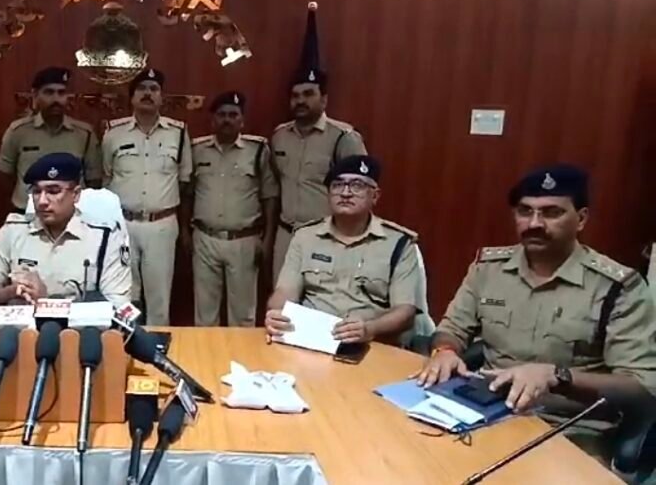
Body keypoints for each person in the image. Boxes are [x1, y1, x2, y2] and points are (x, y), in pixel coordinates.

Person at [414, 165, 656, 462]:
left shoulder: (617, 287)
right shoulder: (488, 269)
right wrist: (445, 351)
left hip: (568, 427)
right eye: (525, 211)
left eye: (552, 213)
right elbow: (453, 327)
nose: (534, 223)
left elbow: (641, 388)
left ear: (581, 219)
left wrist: (557, 376)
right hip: (483, 409)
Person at [264, 155, 423, 345]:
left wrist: (370, 329)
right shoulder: (305, 237)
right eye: (337, 185)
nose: (346, 193)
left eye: (357, 185)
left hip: (371, 343)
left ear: (375, 196)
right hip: (310, 338)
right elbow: (285, 291)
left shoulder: (398, 244)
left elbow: (405, 311)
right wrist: (277, 312)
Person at [0, 152, 132, 305]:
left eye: (53, 191)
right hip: (22, 323)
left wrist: (46, 303)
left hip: (80, 324)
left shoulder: (105, 237)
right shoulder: (13, 232)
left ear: (76, 194)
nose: (42, 201)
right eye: (36, 192)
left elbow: (117, 307)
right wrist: (13, 291)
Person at [101, 68, 191, 325]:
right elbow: (106, 178)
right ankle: (125, 343)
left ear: (162, 97)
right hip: (122, 224)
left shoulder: (178, 133)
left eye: (154, 89)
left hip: (162, 224)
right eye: (141, 89)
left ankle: (156, 344)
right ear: (131, 97)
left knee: (159, 296)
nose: (148, 94)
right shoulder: (113, 133)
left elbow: (185, 181)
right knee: (123, 293)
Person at [187, 91, 278, 327]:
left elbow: (269, 196)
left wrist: (268, 239)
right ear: (213, 120)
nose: (227, 119)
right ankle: (205, 352)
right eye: (221, 115)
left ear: (242, 120)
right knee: (205, 312)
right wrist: (186, 234)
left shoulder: (258, 150)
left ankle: (241, 351)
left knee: (243, 313)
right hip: (205, 238)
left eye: (233, 115)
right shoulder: (197, 150)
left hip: (244, 240)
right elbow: (188, 193)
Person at [271, 68, 367, 282]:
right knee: (283, 298)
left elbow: (361, 193)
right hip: (286, 235)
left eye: (308, 94)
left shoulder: (343, 138)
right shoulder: (280, 136)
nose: (300, 101)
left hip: (325, 237)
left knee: (321, 298)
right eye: (295, 96)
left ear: (324, 99)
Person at [0, 67, 101, 213]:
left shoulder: (84, 134)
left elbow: (93, 179)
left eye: (61, 93)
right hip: (28, 213)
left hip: (72, 215)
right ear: (35, 95)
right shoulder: (18, 131)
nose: (56, 99)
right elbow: (4, 176)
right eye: (49, 92)